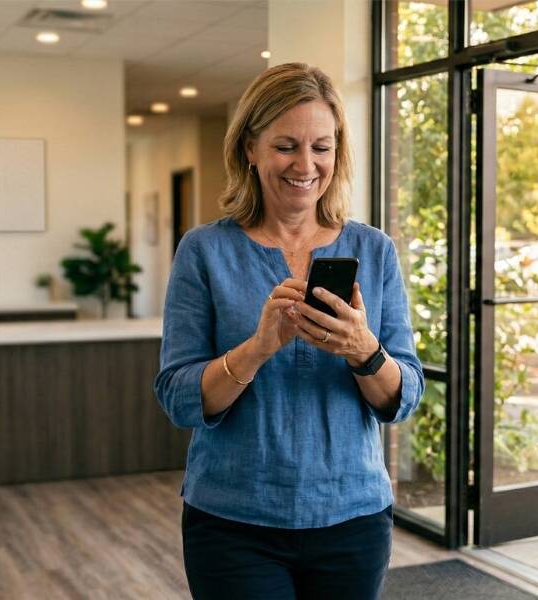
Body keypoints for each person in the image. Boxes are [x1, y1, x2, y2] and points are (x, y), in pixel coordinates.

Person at [154, 63, 425, 600]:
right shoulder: (204, 251)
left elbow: (403, 397)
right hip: (233, 524)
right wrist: (257, 350)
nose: (306, 165)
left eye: (321, 147)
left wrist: (363, 350)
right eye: (286, 146)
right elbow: (178, 399)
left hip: (352, 518)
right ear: (249, 149)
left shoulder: (373, 250)